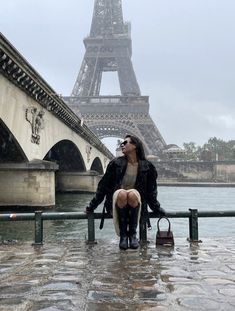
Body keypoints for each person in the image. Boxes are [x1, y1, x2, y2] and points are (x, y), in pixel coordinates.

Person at [86, 134, 166, 250]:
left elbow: (151, 191)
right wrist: (92, 205)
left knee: (132, 194)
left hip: (135, 201)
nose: (122, 145)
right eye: (121, 143)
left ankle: (132, 234)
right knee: (123, 193)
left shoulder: (147, 167)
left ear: (135, 146)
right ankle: (124, 235)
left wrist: (156, 208)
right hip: (118, 200)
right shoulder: (115, 164)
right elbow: (103, 186)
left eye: (125, 143)